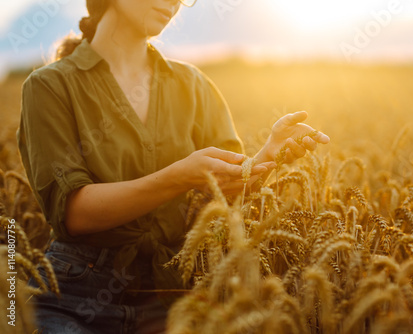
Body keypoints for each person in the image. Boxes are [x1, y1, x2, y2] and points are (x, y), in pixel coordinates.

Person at [17, 0, 330, 332]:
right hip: (72, 297)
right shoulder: (49, 86)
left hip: (173, 295)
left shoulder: (194, 86)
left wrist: (268, 157)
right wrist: (178, 177)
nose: (175, 2)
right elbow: (74, 214)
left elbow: (223, 188)